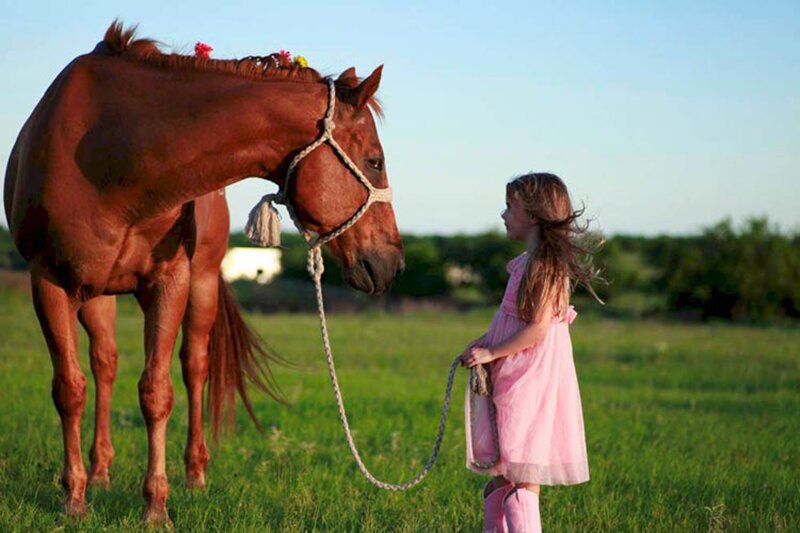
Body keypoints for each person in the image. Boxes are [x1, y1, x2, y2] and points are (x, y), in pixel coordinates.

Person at [460, 172, 602, 532]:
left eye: (511, 207)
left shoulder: (547, 267)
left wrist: (491, 354)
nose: (503, 215)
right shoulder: (525, 263)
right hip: (511, 373)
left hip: (529, 379)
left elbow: (537, 328)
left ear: (534, 216)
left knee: (522, 476)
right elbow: (509, 320)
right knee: (502, 475)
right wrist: (483, 342)